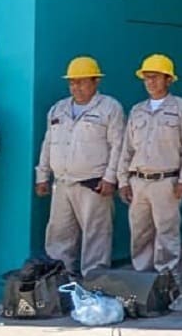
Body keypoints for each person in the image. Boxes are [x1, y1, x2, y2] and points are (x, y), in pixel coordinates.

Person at [34, 56, 124, 274]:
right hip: (62, 184)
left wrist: (111, 178)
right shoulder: (58, 109)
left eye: (82, 82)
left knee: (97, 236)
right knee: (59, 236)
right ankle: (61, 282)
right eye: (73, 82)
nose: (76, 87)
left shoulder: (110, 108)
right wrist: (42, 176)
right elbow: (48, 143)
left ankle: (94, 283)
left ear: (96, 82)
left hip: (93, 184)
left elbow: (118, 146)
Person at [119, 53, 182, 272]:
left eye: (155, 77)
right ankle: (142, 275)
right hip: (139, 180)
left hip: (167, 181)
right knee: (139, 230)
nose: (150, 82)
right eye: (147, 77)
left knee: (167, 231)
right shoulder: (137, 110)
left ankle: (166, 275)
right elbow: (126, 148)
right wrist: (123, 180)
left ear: (168, 79)